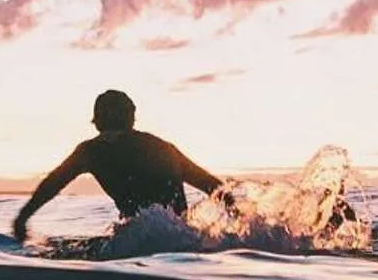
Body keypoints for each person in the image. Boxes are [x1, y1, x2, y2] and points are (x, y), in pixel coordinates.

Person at [12, 90, 224, 242]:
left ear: (96, 121)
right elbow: (215, 188)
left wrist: (22, 218)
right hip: (184, 239)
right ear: (132, 117)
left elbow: (52, 184)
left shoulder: (92, 151)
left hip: (139, 240)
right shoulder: (163, 147)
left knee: (54, 252)